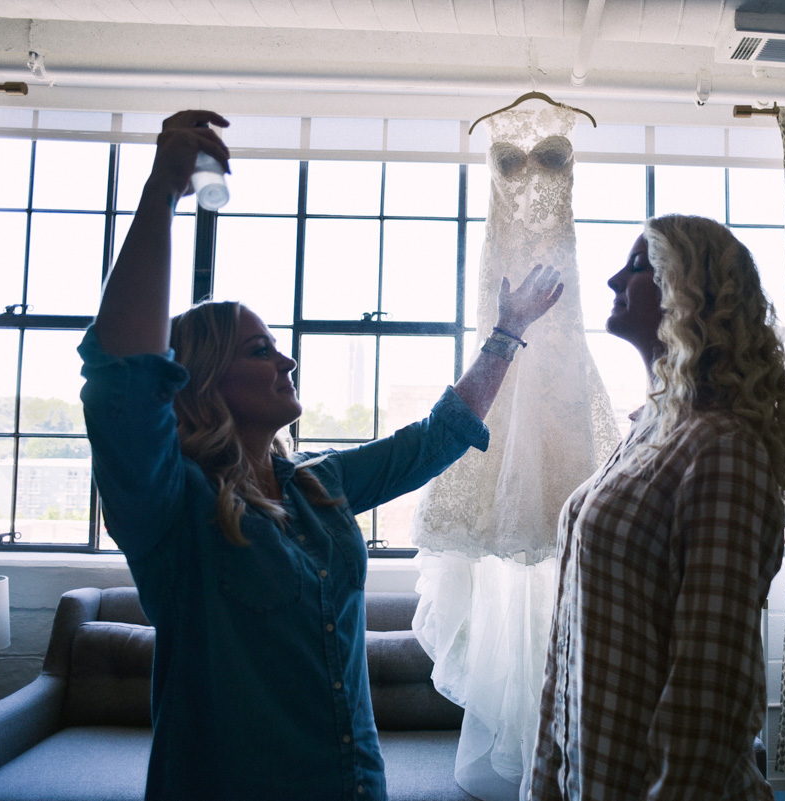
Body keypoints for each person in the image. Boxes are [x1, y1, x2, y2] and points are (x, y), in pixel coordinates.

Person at [79, 109, 563, 801]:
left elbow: (432, 440)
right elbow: (122, 382)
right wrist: (162, 191)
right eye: (259, 349)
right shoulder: (174, 510)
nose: (287, 357)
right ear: (203, 382)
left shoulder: (317, 485)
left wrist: (508, 332)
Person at [528, 214, 785, 801]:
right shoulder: (644, 434)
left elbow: (708, 689)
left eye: (637, 267)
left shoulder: (724, 450)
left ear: (689, 293)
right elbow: (571, 643)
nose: (613, 280)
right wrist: (546, 782)